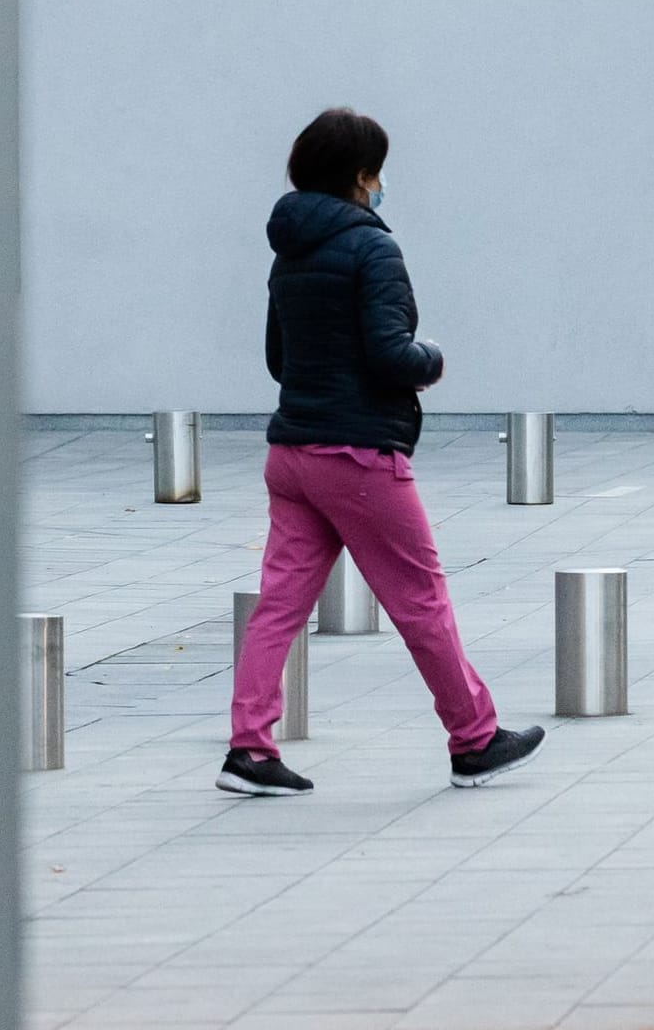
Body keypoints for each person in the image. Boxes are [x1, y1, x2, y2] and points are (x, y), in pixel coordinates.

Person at [217, 107, 545, 797]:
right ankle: (475, 737)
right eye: (377, 170)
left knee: (278, 606)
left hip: (292, 453)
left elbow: (279, 358)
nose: (381, 182)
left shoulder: (289, 250)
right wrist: (433, 360)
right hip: (359, 455)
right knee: (421, 600)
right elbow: (391, 353)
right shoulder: (373, 249)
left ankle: (249, 751)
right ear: (361, 177)